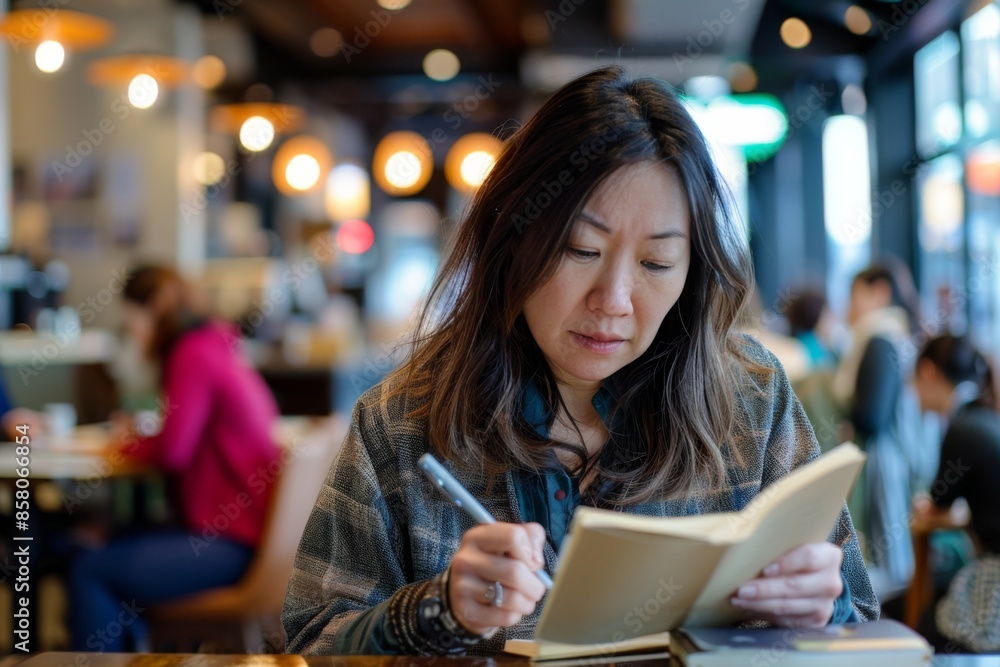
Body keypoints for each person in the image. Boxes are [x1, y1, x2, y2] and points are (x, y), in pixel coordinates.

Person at [282, 66, 878, 657]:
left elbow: (860, 622)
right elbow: (313, 639)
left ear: (692, 271)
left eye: (657, 263)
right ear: (513, 237)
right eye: (581, 250)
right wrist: (440, 610)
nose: (613, 302)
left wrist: (823, 608)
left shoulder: (750, 395)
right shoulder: (402, 422)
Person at [69, 265, 281, 651]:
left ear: (150, 310)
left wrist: (123, 443)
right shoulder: (219, 343)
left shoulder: (190, 352)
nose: (132, 331)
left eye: (132, 319)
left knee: (90, 570)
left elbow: (173, 451)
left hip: (226, 544)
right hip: (253, 538)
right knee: (103, 540)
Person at [832, 261, 930, 599]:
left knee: (878, 561)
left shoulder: (878, 338)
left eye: (854, 295)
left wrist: (846, 423)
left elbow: (871, 417)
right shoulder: (897, 334)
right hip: (894, 461)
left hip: (879, 466)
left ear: (880, 292)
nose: (849, 307)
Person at [910, 335, 999, 653]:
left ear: (929, 372)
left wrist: (928, 505)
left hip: (995, 583)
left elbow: (937, 501)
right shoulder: (986, 417)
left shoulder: (961, 429)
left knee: (924, 626)